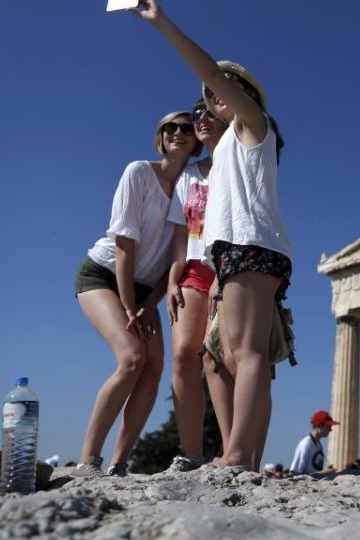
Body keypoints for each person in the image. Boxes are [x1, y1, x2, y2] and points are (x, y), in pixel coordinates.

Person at [133, 0, 293, 471]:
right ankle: (240, 452)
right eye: (204, 98)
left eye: (218, 93)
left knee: (245, 354)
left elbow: (211, 72)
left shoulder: (253, 128)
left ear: (242, 96)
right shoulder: (224, 152)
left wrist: (160, 21)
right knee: (222, 356)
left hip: (251, 247)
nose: (209, 101)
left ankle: (239, 455)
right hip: (234, 252)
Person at [72, 112, 200, 478]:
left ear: (195, 141)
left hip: (146, 290)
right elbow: (125, 243)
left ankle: (119, 464)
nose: (178, 132)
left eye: (187, 128)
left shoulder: (189, 188)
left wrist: (148, 303)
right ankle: (87, 461)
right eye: (170, 127)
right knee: (131, 357)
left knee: (154, 366)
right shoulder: (138, 172)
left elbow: (175, 258)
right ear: (160, 136)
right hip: (104, 273)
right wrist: (130, 305)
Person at [166, 99, 231, 472]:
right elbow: (181, 231)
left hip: (230, 266)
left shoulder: (239, 161)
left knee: (218, 359)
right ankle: (190, 453)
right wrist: (173, 277)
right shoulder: (189, 175)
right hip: (193, 268)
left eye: (209, 112)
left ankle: (232, 450)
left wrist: (225, 272)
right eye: (196, 116)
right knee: (182, 357)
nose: (201, 120)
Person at [290, 411, 339, 475]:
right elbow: (295, 473)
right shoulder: (305, 445)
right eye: (329, 426)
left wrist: (325, 470)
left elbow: (313, 470)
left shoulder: (319, 444)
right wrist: (322, 473)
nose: (330, 430)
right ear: (320, 425)